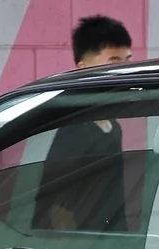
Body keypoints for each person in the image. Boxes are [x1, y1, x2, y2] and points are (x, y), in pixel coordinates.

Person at [34, 15, 135, 232]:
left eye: (128, 61)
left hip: (112, 239)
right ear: (84, 69)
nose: (126, 72)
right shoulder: (73, 129)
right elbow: (57, 207)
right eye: (114, 63)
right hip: (84, 244)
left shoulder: (112, 126)